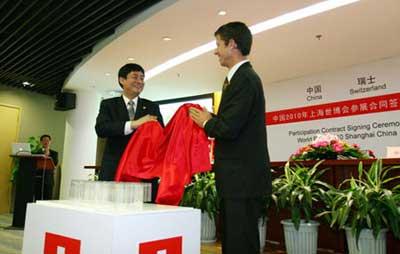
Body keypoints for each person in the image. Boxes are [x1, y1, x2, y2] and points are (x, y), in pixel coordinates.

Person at [189, 22, 271, 254]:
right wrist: (211, 118)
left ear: (232, 44)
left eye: (218, 44)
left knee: (240, 241)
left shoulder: (245, 79)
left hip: (242, 179)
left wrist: (206, 121)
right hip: (238, 179)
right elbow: (234, 122)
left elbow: (229, 128)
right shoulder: (238, 79)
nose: (215, 51)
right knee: (237, 238)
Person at [95, 63, 164, 201]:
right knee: (111, 207)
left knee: (144, 211)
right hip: (115, 167)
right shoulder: (108, 104)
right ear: (122, 80)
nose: (139, 81)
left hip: (143, 171)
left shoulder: (152, 106)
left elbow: (161, 135)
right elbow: (101, 129)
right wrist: (133, 124)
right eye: (135, 77)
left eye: (142, 78)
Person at [35, 134, 58, 200]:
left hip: (48, 179)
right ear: (41, 142)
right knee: (37, 198)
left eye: (48, 140)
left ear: (50, 142)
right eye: (44, 140)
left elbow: (55, 164)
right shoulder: (36, 153)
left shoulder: (54, 153)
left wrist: (48, 153)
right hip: (38, 179)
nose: (46, 142)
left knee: (48, 199)